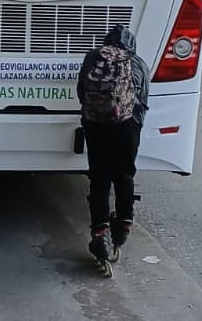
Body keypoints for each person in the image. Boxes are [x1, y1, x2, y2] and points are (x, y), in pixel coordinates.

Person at [77, 24, 149, 265]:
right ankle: (123, 224)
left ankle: (99, 234)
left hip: (96, 125)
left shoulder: (92, 57)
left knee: (99, 178)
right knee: (125, 175)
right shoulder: (137, 62)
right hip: (128, 128)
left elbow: (81, 92)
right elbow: (143, 101)